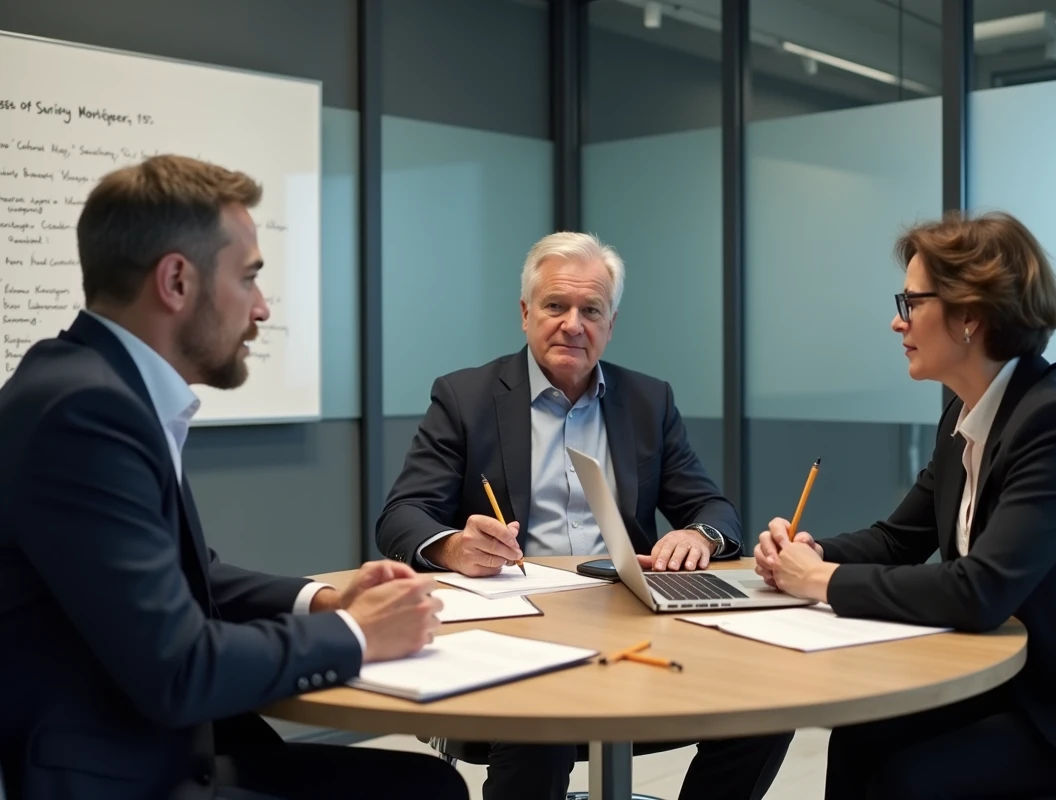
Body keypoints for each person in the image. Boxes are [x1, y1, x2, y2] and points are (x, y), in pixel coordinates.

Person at [0, 155, 467, 800]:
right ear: (176, 281)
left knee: (424, 783)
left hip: (146, 742)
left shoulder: (85, 384)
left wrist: (324, 602)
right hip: (119, 773)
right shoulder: (87, 413)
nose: (262, 308)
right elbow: (180, 668)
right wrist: (358, 633)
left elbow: (188, 577)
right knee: (426, 791)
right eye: (248, 278)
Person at [754, 210, 1056, 799]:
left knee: (910, 778)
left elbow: (979, 591)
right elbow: (898, 539)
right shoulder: (966, 418)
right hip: (1025, 682)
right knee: (861, 735)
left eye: (912, 303)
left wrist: (820, 580)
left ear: (969, 316)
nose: (896, 321)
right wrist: (807, 552)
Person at [377, 232, 792, 800]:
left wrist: (699, 534)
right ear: (525, 313)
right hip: (517, 627)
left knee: (769, 705)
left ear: (610, 323)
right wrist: (453, 546)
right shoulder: (465, 397)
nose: (573, 325)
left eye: (591, 310)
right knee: (542, 725)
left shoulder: (648, 400)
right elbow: (402, 515)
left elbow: (712, 506)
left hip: (632, 623)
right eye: (555, 305)